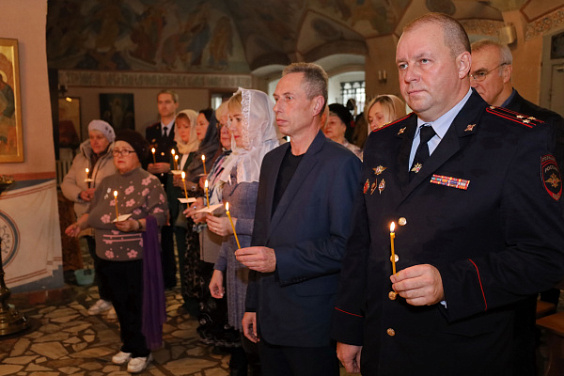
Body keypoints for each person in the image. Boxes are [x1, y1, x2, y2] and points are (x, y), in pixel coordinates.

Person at [332, 13, 564, 376]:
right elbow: (361, 243)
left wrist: (449, 284)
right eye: (403, 64)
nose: (409, 75)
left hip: (466, 352)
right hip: (386, 347)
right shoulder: (381, 141)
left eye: (424, 60)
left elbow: (546, 255)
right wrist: (349, 327)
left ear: (462, 64)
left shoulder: (517, 140)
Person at [236, 63, 362, 376]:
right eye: (276, 98)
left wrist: (280, 259)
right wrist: (252, 303)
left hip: (311, 317)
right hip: (269, 310)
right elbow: (262, 234)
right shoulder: (272, 160)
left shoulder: (341, 164)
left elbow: (345, 246)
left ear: (316, 104)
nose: (277, 107)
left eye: (288, 98)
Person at [471, 38, 564, 375]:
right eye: (468, 74)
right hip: (469, 256)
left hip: (516, 258)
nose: (472, 83)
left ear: (506, 72)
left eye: (480, 73)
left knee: (510, 353)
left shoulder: (543, 126)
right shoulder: (465, 124)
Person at [66, 129, 168, 374]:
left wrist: (135, 224)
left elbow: (161, 215)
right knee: (120, 303)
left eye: (125, 151)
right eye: (116, 151)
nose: (119, 155)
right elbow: (95, 210)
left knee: (136, 303)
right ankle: (127, 343)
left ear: (138, 154)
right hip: (106, 256)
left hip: (135, 257)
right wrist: (80, 224)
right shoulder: (107, 182)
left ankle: (142, 349)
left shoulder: (149, 182)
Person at [204, 88, 280, 375]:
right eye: (228, 120)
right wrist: (220, 267)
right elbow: (229, 221)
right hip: (238, 266)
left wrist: (234, 225)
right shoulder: (238, 161)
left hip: (262, 269)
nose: (230, 127)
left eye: (238, 119)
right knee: (246, 348)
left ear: (260, 119)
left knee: (263, 352)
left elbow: (277, 227)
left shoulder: (274, 160)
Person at [61, 119, 117, 319]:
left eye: (100, 137)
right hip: (86, 217)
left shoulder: (115, 158)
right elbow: (66, 182)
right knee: (97, 260)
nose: (95, 141)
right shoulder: (80, 158)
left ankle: (117, 300)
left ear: (108, 138)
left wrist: (99, 192)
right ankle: (105, 297)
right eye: (92, 137)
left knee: (111, 261)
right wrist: (80, 194)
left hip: (108, 218)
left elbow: (120, 185)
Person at [181, 108, 220, 315]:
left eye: (203, 124)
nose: (198, 128)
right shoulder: (201, 150)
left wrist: (194, 186)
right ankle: (194, 299)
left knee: (207, 264)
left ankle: (204, 305)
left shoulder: (217, 152)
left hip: (211, 216)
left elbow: (213, 187)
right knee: (195, 261)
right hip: (195, 211)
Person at [145, 89, 179, 289]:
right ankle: (167, 278)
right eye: (160, 102)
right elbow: (145, 157)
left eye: (168, 102)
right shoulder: (152, 130)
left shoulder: (181, 128)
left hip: (174, 186)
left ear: (175, 104)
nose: (164, 106)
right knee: (163, 233)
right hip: (156, 186)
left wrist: (170, 168)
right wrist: (147, 166)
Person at [166, 109, 199, 311]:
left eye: (187, 126)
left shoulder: (200, 151)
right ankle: (186, 297)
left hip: (194, 210)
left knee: (193, 257)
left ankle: (196, 299)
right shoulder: (178, 151)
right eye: (179, 127)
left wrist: (188, 183)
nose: (183, 131)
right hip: (178, 209)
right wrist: (169, 208)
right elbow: (171, 185)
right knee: (182, 256)